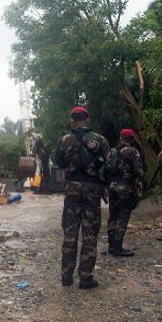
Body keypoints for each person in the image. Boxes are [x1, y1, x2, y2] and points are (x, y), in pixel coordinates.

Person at [53, 106, 110, 289]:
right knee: (89, 233)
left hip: (72, 189)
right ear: (87, 119)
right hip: (92, 189)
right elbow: (109, 164)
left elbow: (58, 162)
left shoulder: (65, 140)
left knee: (70, 232)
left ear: (72, 120)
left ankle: (66, 277)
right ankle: (85, 278)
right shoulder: (99, 139)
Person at [106, 129, 145, 257]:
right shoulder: (133, 151)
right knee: (122, 216)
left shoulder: (112, 151)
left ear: (120, 137)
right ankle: (118, 247)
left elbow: (106, 169)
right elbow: (139, 171)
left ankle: (111, 246)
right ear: (132, 139)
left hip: (112, 186)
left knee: (113, 215)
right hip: (125, 187)